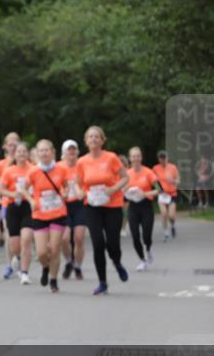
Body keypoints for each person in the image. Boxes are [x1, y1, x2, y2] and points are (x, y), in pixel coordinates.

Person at [77, 126, 130, 295]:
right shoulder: (82, 161)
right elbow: (78, 185)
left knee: (113, 243)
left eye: (96, 137)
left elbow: (125, 177)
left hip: (112, 205)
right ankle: (102, 282)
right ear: (86, 141)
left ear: (102, 140)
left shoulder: (111, 158)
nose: (93, 139)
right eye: (90, 137)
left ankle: (117, 262)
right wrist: (80, 193)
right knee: (98, 243)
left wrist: (113, 189)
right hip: (92, 206)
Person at [26, 140, 70, 293]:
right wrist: (31, 200)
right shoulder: (33, 171)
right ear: (37, 154)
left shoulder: (61, 170)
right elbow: (24, 189)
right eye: (41, 151)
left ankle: (53, 280)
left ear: (52, 152)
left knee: (55, 248)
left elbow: (67, 185)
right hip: (40, 214)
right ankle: (45, 267)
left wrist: (65, 193)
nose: (44, 153)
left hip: (58, 213)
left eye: (46, 150)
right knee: (42, 252)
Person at [0, 142, 35, 285]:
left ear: (27, 154)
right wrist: (12, 193)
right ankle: (17, 258)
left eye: (24, 151)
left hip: (27, 207)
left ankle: (25, 273)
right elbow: (1, 188)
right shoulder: (9, 170)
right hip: (13, 206)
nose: (21, 154)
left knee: (26, 239)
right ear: (15, 154)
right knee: (15, 244)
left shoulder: (33, 169)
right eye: (19, 152)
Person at [124, 147, 159, 272]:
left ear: (141, 158)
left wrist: (144, 194)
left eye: (138, 156)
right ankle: (142, 260)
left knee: (146, 235)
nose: (136, 159)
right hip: (133, 206)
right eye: (133, 156)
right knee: (135, 235)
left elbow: (159, 189)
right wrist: (127, 193)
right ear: (130, 158)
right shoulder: (127, 174)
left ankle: (148, 249)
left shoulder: (148, 172)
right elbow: (121, 190)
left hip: (146, 206)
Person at [58, 139, 87, 280]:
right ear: (63, 153)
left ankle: (78, 266)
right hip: (63, 205)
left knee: (79, 238)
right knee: (64, 239)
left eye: (74, 149)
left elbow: (89, 183)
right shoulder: (58, 167)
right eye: (69, 150)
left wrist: (83, 191)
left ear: (77, 152)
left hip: (80, 204)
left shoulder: (83, 166)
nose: (72, 152)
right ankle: (69, 261)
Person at [153, 150, 180, 240]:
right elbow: (154, 181)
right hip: (162, 194)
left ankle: (172, 225)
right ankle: (165, 231)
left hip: (172, 194)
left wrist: (172, 180)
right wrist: (158, 189)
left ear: (167, 158)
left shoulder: (173, 167)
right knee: (164, 213)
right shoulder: (155, 168)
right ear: (158, 159)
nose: (163, 160)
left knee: (171, 215)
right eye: (161, 158)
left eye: (164, 158)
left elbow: (178, 181)